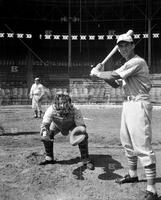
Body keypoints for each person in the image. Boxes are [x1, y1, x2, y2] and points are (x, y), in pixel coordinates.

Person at [90, 32, 158, 200]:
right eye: (120, 45)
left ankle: (152, 190)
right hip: (128, 104)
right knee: (127, 142)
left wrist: (98, 73)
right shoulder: (127, 64)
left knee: (142, 145)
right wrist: (100, 73)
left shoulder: (137, 61)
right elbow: (114, 82)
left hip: (139, 104)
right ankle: (132, 174)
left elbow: (114, 75)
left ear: (133, 45)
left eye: (126, 44)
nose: (123, 48)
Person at [39, 92, 94, 170]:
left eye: (64, 103)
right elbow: (45, 125)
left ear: (69, 102)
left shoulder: (75, 109)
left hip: (72, 125)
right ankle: (49, 158)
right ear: (56, 103)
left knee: (83, 135)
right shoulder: (51, 109)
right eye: (60, 103)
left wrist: (81, 134)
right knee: (47, 134)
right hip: (56, 125)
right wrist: (45, 134)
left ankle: (85, 159)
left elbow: (80, 126)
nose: (62, 105)